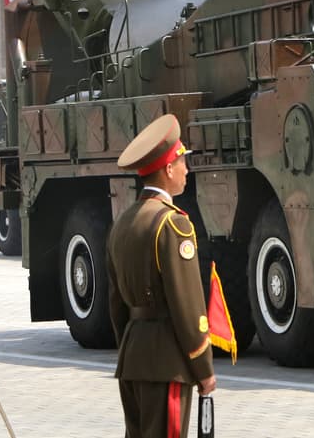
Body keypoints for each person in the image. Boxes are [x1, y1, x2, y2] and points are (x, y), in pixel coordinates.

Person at [107, 114, 216, 438]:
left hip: (133, 357)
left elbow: (116, 304)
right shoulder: (173, 224)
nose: (187, 170)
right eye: (182, 162)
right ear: (168, 169)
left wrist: (131, 349)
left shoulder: (122, 223)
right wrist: (203, 367)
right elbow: (187, 305)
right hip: (167, 363)